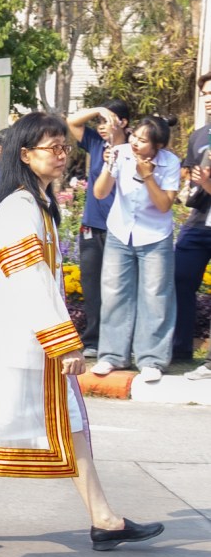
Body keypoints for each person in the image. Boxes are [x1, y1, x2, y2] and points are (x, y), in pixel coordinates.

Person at [0, 113, 164, 552]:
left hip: (23, 341)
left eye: (64, 147)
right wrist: (62, 340)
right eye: (52, 148)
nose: (61, 155)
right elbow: (30, 277)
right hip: (24, 343)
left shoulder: (33, 203)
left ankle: (103, 519)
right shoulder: (20, 207)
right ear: (24, 155)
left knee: (62, 425)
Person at [90, 116, 181, 383]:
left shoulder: (170, 162)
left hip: (155, 236)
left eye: (143, 140)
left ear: (159, 146)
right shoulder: (119, 153)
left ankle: (151, 359)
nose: (135, 143)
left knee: (156, 297)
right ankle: (112, 356)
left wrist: (148, 176)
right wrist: (109, 166)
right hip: (121, 232)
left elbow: (164, 205)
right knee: (114, 294)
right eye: (134, 137)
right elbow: (99, 193)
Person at [67, 101, 131, 357]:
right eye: (100, 123)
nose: (102, 127)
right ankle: (93, 340)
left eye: (109, 121)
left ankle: (122, 342)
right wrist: (98, 111)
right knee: (92, 284)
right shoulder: (95, 143)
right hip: (92, 224)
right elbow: (72, 121)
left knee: (119, 288)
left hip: (122, 227)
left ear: (124, 123)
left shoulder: (136, 147)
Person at [175, 75, 211, 379]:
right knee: (179, 278)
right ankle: (180, 348)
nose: (208, 98)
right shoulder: (199, 135)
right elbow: (191, 176)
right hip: (199, 221)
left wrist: (207, 184)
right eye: (205, 93)